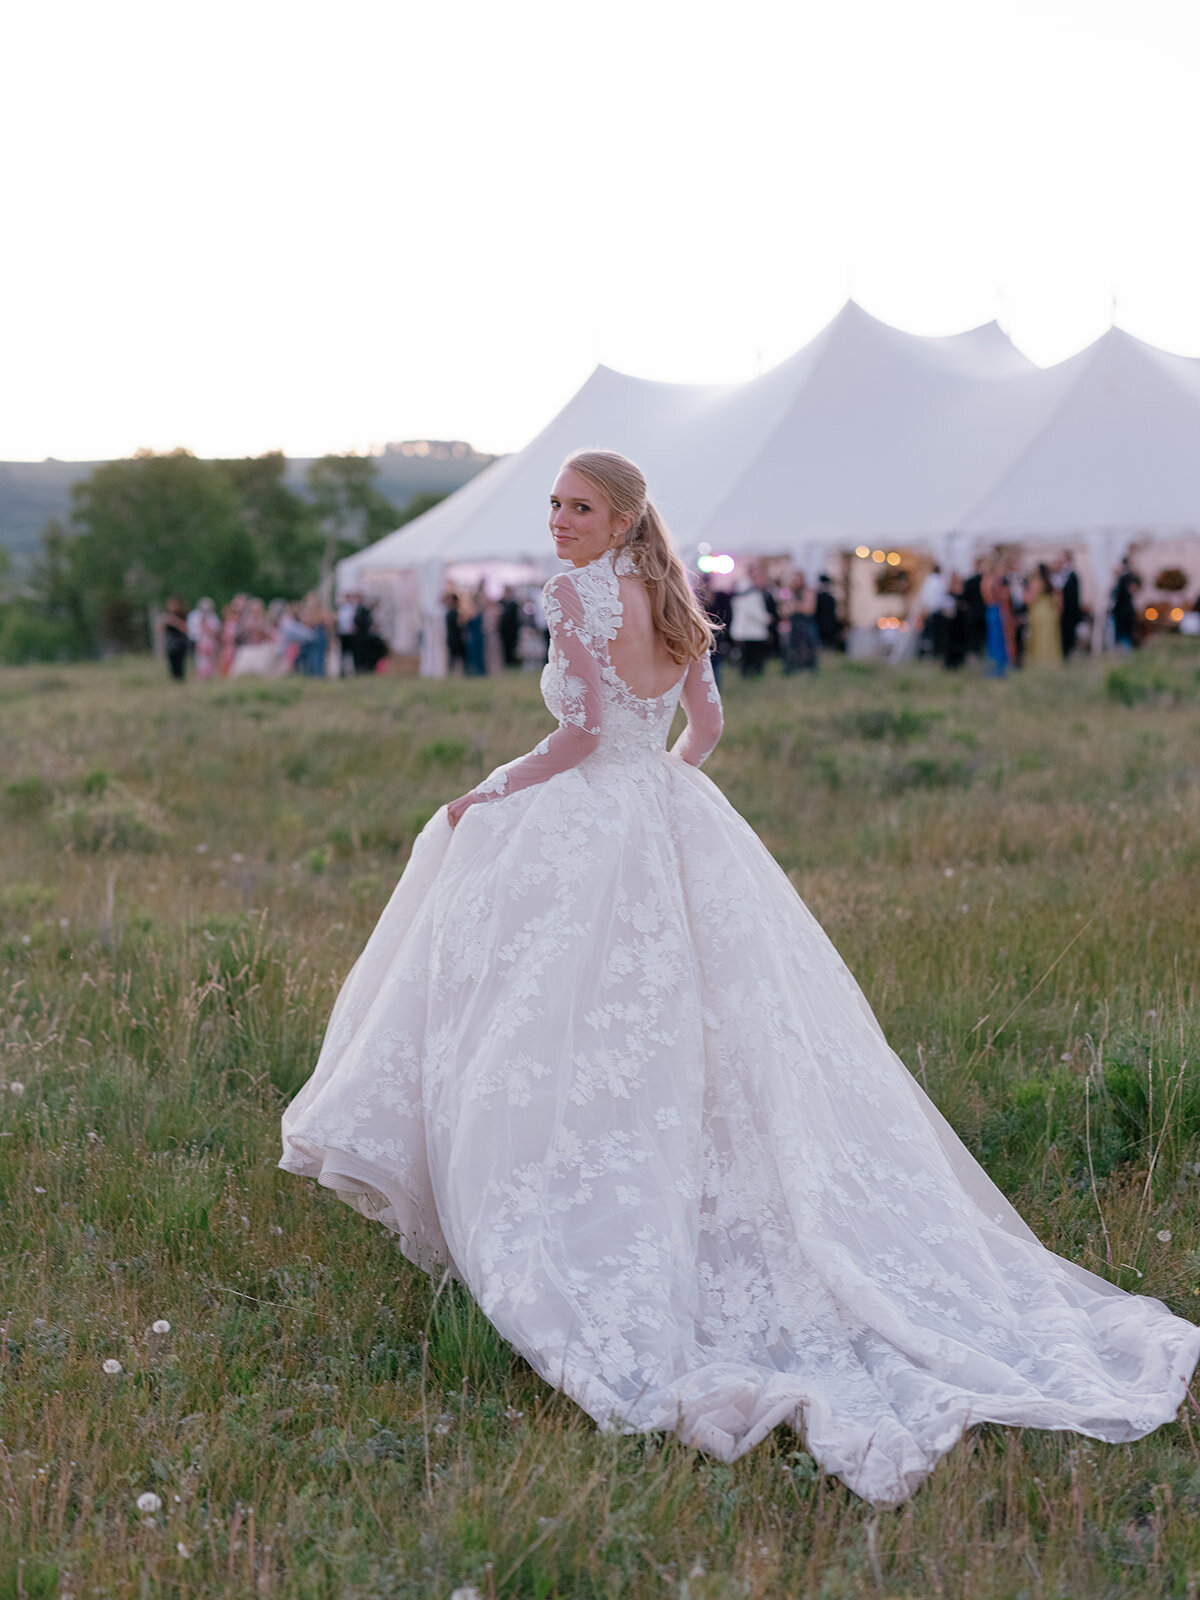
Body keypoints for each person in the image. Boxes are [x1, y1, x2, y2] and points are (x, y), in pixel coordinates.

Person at [279, 448, 1200, 1508]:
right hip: (667, 812)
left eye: (579, 506)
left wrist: (492, 797)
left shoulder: (577, 594)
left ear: (621, 517)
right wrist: (659, 797)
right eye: (554, 503)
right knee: (681, 1025)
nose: (558, 519)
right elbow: (704, 729)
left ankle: (541, 1212)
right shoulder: (674, 596)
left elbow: (580, 733)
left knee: (553, 1014)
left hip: (592, 806)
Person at [729, 570, 772, 677]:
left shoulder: (738, 598)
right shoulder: (752, 596)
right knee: (754, 657)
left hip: (744, 632)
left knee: (747, 657)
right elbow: (755, 613)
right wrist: (767, 619)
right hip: (753, 633)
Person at [1025, 563, 1063, 667]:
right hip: (1050, 613)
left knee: (1040, 639)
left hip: (1039, 613)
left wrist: (1024, 593)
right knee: (1050, 639)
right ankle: (1052, 662)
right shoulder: (1051, 582)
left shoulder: (1036, 582)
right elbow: (1057, 600)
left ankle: (1041, 662)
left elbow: (1031, 599)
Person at [162, 597, 190, 681]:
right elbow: (162, 631)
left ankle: (181, 678)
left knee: (180, 662)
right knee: (172, 662)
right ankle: (174, 678)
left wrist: (175, 621)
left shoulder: (183, 615)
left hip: (180, 642)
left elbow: (186, 629)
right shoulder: (167, 615)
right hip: (171, 642)